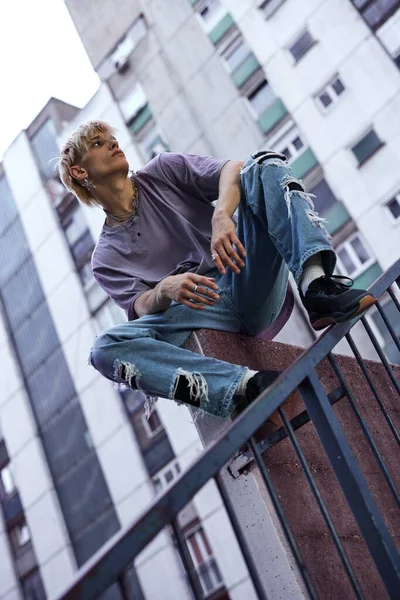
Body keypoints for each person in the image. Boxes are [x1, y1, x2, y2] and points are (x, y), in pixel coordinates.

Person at [58, 121, 376, 420]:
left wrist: (222, 215)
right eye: (98, 143)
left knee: (263, 164)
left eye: (111, 138)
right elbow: (139, 306)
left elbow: (234, 170)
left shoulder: (163, 169)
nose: (113, 143)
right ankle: (240, 390)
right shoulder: (104, 257)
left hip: (244, 274)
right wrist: (164, 289)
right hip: (197, 312)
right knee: (104, 349)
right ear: (79, 171)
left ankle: (317, 285)